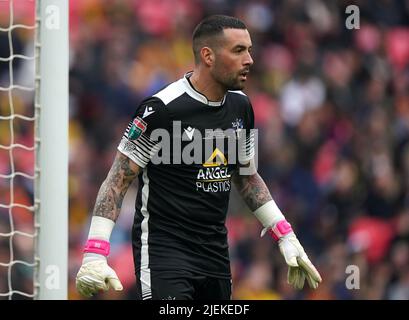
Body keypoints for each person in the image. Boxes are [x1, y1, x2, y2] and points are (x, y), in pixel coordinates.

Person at [75, 15, 322, 300]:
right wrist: (95, 251)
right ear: (208, 56)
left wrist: (284, 234)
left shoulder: (241, 107)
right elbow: (118, 179)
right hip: (164, 254)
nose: (250, 60)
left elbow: (246, 175)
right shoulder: (161, 109)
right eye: (239, 50)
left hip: (215, 255)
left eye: (250, 49)